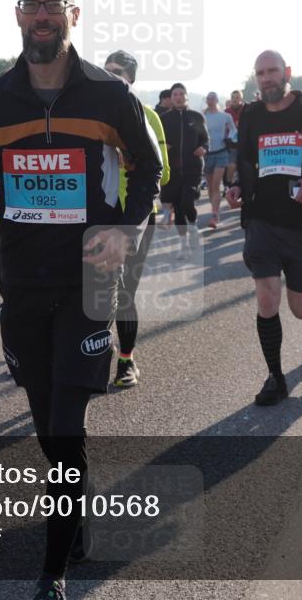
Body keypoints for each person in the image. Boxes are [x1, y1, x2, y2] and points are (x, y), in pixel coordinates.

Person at [0, 0, 160, 600]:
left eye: (54, 5)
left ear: (74, 14)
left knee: (67, 429)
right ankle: (76, 502)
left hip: (87, 283)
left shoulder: (109, 95)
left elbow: (149, 172)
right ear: (18, 15)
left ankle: (54, 573)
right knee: (48, 428)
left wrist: (123, 231)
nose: (42, 16)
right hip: (20, 283)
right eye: (31, 6)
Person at [226, 50, 302, 406]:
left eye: (272, 71)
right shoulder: (250, 115)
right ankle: (275, 378)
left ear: (287, 73)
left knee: (299, 306)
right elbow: (246, 159)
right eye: (260, 73)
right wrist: (236, 187)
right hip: (262, 220)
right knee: (267, 297)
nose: (266, 78)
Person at [103, 49, 170, 388]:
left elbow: (164, 173)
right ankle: (91, 353)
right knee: (94, 291)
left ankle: (126, 361)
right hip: (98, 215)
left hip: (137, 217)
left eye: (118, 72)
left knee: (125, 292)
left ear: (132, 78)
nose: (112, 77)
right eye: (107, 71)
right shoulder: (93, 114)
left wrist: (127, 158)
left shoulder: (148, 116)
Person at [159, 82, 208, 258]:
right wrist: (164, 146)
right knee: (178, 208)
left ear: (186, 96)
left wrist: (204, 148)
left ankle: (193, 228)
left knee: (188, 202)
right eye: (175, 95)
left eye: (181, 94)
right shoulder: (164, 119)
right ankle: (183, 245)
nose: (178, 97)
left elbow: (205, 139)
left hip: (192, 168)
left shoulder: (196, 117)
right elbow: (158, 141)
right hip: (172, 169)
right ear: (171, 99)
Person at [202, 91, 236, 229]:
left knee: (216, 184)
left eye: (213, 98)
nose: (211, 100)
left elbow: (234, 130)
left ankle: (215, 214)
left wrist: (229, 138)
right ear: (206, 101)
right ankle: (214, 209)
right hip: (207, 154)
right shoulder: (202, 116)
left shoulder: (225, 116)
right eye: (208, 98)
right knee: (210, 186)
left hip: (221, 152)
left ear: (217, 100)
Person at [153, 89, 174, 227]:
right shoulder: (155, 114)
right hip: (161, 153)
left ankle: (170, 215)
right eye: (171, 97)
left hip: (176, 155)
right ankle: (167, 216)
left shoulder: (176, 112)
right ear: (164, 99)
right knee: (166, 187)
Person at [225, 90, 246, 191]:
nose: (235, 100)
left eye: (237, 97)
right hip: (231, 142)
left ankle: (242, 184)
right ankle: (228, 185)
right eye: (233, 97)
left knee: (243, 165)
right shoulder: (227, 111)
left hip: (245, 141)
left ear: (241, 99)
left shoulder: (246, 109)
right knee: (232, 164)